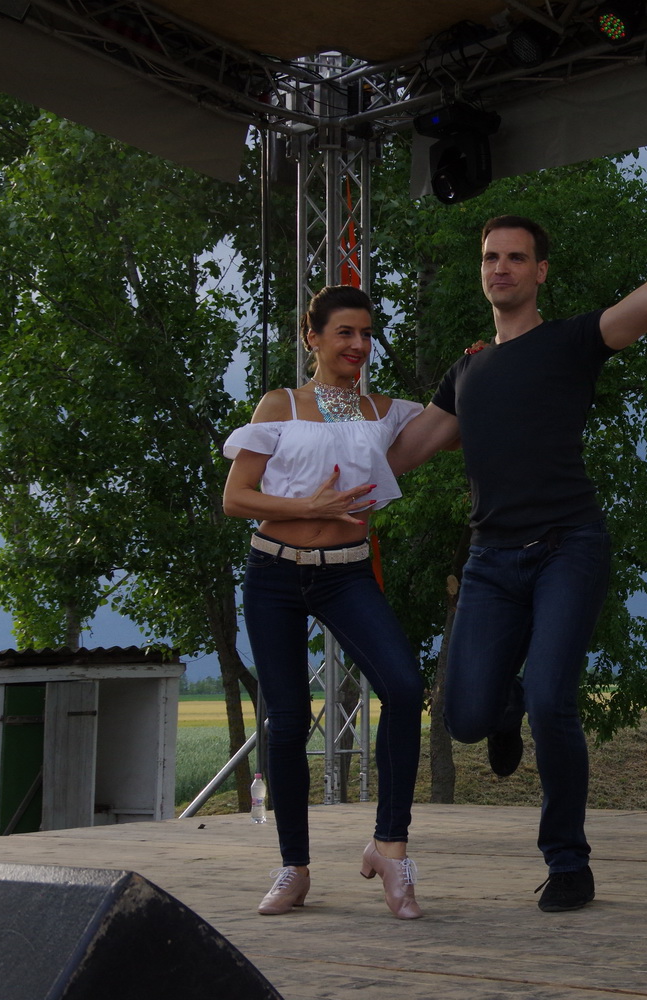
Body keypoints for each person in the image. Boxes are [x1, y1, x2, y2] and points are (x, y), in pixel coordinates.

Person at [389, 183, 647, 911]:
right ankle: (506, 706)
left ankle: (568, 863)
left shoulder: (572, 342)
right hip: (491, 560)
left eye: (516, 258)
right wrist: (311, 453)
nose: (501, 268)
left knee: (555, 697)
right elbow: (401, 453)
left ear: (540, 271)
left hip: (567, 547)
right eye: (491, 258)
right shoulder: (466, 372)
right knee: (464, 717)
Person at [223, 285, 428, 920]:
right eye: (345, 333)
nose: (358, 345)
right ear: (312, 337)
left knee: (403, 687)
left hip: (346, 574)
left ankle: (390, 848)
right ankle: (294, 867)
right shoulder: (280, 405)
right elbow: (236, 497)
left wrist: (487, 361)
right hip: (274, 573)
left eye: (366, 334)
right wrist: (306, 506)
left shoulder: (379, 411)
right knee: (287, 719)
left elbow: (453, 422)